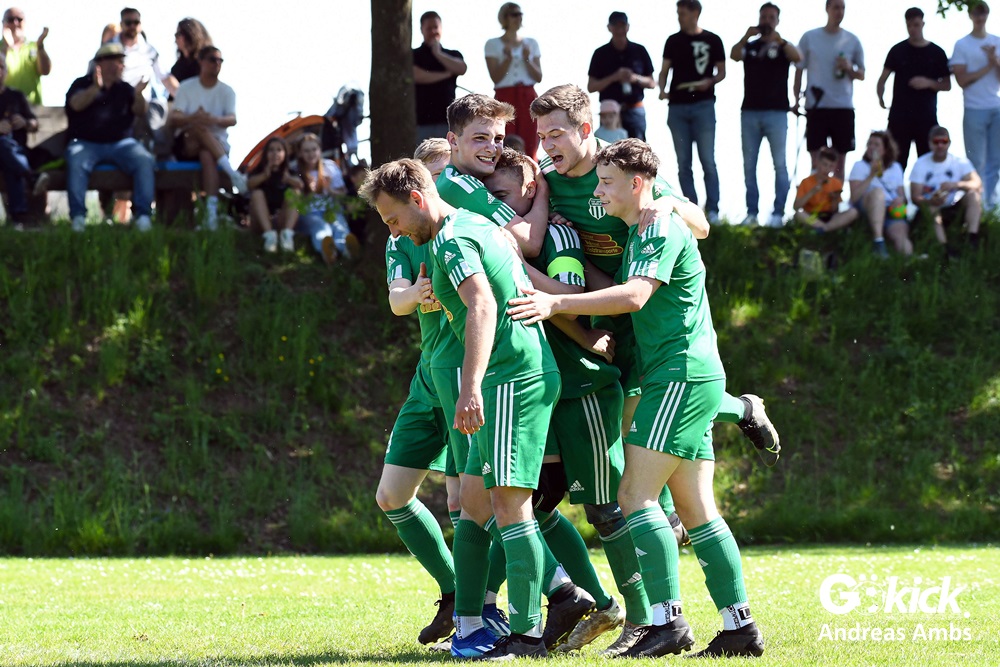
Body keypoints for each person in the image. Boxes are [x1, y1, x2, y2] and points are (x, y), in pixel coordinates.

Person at [530, 84, 779, 656]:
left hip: (674, 370)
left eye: (555, 133)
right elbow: (621, 284)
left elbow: (640, 289)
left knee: (635, 497)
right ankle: (739, 627)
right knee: (694, 509)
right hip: (676, 363)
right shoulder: (566, 185)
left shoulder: (653, 215)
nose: (597, 194)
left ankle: (667, 623)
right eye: (541, 136)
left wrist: (556, 301)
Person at [361, 158, 564, 660]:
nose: (394, 232)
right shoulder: (471, 224)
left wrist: (470, 387)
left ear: (417, 198)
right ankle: (471, 624)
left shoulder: (451, 239)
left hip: (510, 378)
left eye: (393, 219)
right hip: (504, 376)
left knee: (510, 507)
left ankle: (530, 634)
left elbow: (482, 305)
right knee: (472, 505)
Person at [432, 94, 597, 659]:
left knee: (503, 503)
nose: (491, 147)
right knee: (484, 503)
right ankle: (493, 617)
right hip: (482, 364)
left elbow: (528, 261)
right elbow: (526, 244)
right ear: (453, 141)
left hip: (502, 367)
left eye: (498, 138)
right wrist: (542, 199)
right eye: (480, 137)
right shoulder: (460, 190)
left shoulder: (470, 189)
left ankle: (515, 619)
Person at [378, 214, 461, 648]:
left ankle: (561, 594)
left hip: (466, 381)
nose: (394, 229)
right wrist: (417, 291)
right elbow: (398, 300)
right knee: (392, 496)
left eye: (395, 217)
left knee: (474, 505)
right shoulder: (400, 241)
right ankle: (455, 593)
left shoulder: (464, 227)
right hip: (427, 384)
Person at [64, 43, 154, 232]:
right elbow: (75, 105)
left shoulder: (125, 89)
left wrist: (138, 94)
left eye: (122, 61)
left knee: (144, 160)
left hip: (122, 144)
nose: (121, 65)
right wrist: (95, 89)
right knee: (76, 159)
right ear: (101, 63)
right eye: (116, 61)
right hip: (85, 144)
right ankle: (78, 218)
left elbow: (141, 110)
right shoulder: (81, 84)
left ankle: (143, 217)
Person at [731, 2, 801, 227]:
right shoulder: (750, 46)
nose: (767, 21)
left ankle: (778, 214)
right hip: (750, 112)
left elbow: (798, 58)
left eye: (771, 17)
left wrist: (780, 41)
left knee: (779, 164)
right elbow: (734, 55)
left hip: (777, 113)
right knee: (749, 165)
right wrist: (746, 36)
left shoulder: (783, 47)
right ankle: (752, 213)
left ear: (777, 21)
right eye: (764, 17)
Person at [659, 0, 726, 224]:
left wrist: (710, 81)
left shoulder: (712, 39)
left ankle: (713, 210)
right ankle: (693, 211)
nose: (680, 17)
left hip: (704, 106)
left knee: (708, 160)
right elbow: (664, 70)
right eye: (678, 13)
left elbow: (722, 72)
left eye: (683, 13)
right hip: (677, 106)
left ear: (695, 13)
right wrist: (662, 89)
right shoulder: (673, 41)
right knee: (684, 163)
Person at [167, 46, 246, 229]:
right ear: (201, 62)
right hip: (188, 144)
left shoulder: (227, 91)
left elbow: (232, 119)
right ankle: (232, 173)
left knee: (206, 154)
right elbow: (174, 117)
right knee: (198, 127)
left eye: (220, 60)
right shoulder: (187, 87)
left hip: (215, 146)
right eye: (212, 59)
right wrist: (194, 117)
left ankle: (210, 215)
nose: (216, 64)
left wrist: (213, 119)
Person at [794, 0, 865, 182]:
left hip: (843, 106)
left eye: (843, 8)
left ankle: (836, 197)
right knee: (816, 159)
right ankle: (815, 198)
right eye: (836, 7)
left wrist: (849, 68)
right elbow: (799, 69)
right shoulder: (810, 37)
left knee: (840, 161)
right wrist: (796, 99)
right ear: (827, 9)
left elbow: (862, 74)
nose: (839, 11)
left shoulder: (852, 40)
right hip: (816, 105)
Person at [876, 7, 951, 172]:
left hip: (926, 117)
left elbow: (947, 85)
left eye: (916, 25)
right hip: (899, 116)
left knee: (927, 162)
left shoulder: (937, 53)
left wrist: (928, 83)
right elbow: (882, 79)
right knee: (895, 162)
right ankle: (895, 190)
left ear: (923, 24)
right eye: (909, 25)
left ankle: (924, 190)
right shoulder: (897, 50)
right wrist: (881, 98)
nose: (912, 29)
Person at [950, 1, 1000, 208]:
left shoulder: (997, 42)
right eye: (976, 13)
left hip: (995, 107)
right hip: (973, 108)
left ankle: (990, 208)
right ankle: (977, 208)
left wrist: (994, 60)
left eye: (983, 13)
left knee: (995, 161)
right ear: (970, 15)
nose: (980, 17)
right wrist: (987, 65)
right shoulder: (962, 45)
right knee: (977, 162)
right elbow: (962, 80)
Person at [287, 132, 360, 263]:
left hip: (331, 209)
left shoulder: (330, 166)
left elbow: (343, 195)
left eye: (314, 149)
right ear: (300, 153)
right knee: (319, 226)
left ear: (320, 150)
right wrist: (306, 190)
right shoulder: (294, 171)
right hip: (308, 212)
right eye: (306, 151)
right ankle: (327, 250)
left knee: (338, 224)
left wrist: (329, 189)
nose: (311, 154)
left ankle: (345, 248)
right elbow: (293, 201)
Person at [910, 125, 983, 253]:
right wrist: (931, 200)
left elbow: (977, 184)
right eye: (936, 142)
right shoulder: (920, 164)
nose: (940, 145)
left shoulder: (960, 162)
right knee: (931, 207)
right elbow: (915, 197)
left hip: (954, 207)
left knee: (974, 195)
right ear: (930, 143)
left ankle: (972, 238)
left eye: (944, 141)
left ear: (949, 143)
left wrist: (956, 185)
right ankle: (944, 248)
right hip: (931, 209)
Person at [485, 3, 542, 158]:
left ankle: (531, 167)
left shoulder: (531, 43)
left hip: (527, 94)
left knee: (530, 139)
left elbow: (538, 77)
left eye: (520, 14)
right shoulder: (492, 44)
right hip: (505, 95)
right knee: (504, 136)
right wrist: (507, 59)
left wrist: (527, 58)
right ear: (504, 18)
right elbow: (495, 77)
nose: (518, 18)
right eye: (514, 14)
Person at [587, 12, 656, 140]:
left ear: (627, 27)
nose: (619, 30)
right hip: (609, 115)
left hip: (635, 110)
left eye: (622, 26)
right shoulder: (600, 54)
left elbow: (652, 83)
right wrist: (614, 77)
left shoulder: (639, 50)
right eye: (616, 26)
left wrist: (634, 78)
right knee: (609, 149)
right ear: (609, 28)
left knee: (637, 149)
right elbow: (591, 86)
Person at [848, 130, 912, 257]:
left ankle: (908, 261)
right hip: (868, 205)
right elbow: (854, 197)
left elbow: (902, 195)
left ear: (885, 149)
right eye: (869, 144)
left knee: (902, 240)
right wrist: (871, 175)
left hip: (891, 209)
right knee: (878, 193)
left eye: (876, 144)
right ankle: (878, 241)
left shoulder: (896, 167)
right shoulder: (859, 166)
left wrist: (900, 199)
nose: (872, 147)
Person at [413, 11, 467, 142]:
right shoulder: (414, 55)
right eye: (429, 28)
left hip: (447, 121)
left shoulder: (452, 54)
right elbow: (417, 76)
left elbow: (461, 68)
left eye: (435, 27)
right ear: (421, 30)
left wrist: (438, 54)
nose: (433, 31)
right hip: (421, 122)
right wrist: (447, 74)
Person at [0, 50, 39, 223]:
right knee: (3, 145)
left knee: (10, 159)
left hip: (17, 152)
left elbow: (34, 124)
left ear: (7, 72)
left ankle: (18, 219)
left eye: (1, 67)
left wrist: (25, 122)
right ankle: (31, 176)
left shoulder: (16, 96)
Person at [247, 137, 298, 253]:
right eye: (271, 150)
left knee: (294, 193)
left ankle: (287, 236)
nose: (275, 153)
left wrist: (288, 179)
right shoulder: (257, 171)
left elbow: (300, 185)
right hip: (260, 223)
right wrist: (265, 175)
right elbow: (249, 184)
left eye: (279, 150)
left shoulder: (290, 172)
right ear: (265, 153)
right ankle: (270, 237)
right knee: (257, 193)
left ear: (285, 153)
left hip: (281, 219)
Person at [793, 147, 859, 232]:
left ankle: (824, 228)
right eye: (825, 164)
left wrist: (834, 199)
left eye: (831, 166)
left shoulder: (836, 183)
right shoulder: (806, 182)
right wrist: (811, 192)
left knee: (853, 212)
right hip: (811, 216)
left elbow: (835, 210)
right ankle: (827, 228)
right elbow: (796, 206)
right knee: (798, 214)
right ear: (817, 163)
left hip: (830, 217)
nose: (827, 169)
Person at [0, 7, 49, 104]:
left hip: (31, 108)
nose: (15, 23)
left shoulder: (34, 46)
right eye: (10, 19)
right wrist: (6, 46)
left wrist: (40, 46)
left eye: (19, 19)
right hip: (3, 108)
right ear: (3, 23)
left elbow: (45, 71)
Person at [168, 17, 213, 94]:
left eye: (178, 34)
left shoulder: (204, 65)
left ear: (190, 35)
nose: (176, 39)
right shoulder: (177, 68)